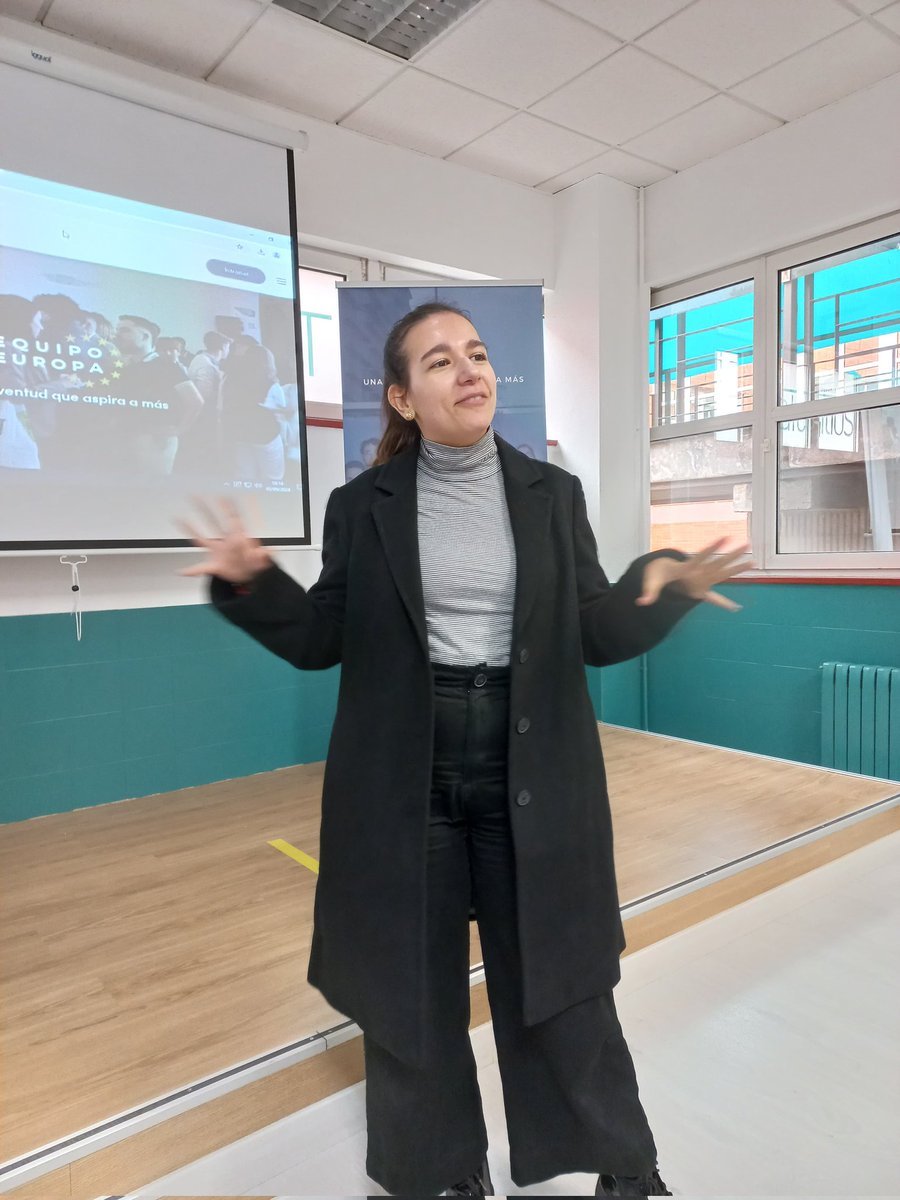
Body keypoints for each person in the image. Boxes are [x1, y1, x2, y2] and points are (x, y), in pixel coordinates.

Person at [181, 303, 750, 1197]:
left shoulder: (550, 493)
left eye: (477, 354)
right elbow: (321, 635)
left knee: (564, 986)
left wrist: (659, 589)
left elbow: (592, 630)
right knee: (409, 992)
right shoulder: (359, 508)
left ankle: (625, 1170)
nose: (469, 371)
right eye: (440, 361)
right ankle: (439, 1173)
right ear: (403, 398)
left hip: (532, 764)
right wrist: (251, 585)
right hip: (404, 775)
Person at [114, 315, 203, 477]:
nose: (117, 335)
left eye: (125, 330)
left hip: (154, 441)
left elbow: (195, 401)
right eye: (117, 330)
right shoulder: (127, 367)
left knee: (151, 490)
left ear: (145, 336)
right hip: (127, 436)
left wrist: (179, 430)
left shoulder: (166, 366)